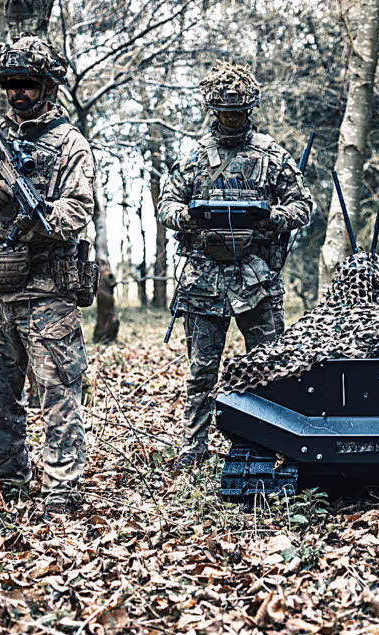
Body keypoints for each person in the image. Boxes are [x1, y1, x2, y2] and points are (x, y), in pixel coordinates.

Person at [0, 34, 96, 518]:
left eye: (28, 84)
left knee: (58, 393)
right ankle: (7, 481)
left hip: (48, 290)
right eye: (11, 84)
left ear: (48, 85)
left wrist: (40, 219)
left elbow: (78, 209)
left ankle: (62, 489)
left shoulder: (70, 143)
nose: (18, 93)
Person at [157, 62, 312, 469]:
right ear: (213, 110)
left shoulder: (271, 155)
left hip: (256, 279)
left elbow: (303, 205)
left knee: (271, 367)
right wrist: (191, 216)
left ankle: (276, 440)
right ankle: (194, 447)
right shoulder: (193, 159)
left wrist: (270, 217)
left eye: (240, 112)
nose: (233, 120)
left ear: (251, 110)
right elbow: (166, 204)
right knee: (201, 371)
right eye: (226, 112)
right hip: (203, 280)